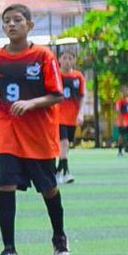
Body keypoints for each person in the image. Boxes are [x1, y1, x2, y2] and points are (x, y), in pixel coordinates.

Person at [0, 4, 69, 255]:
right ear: (3, 27)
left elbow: (57, 95)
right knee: (5, 185)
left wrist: (31, 103)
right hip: (8, 131)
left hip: (39, 135)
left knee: (48, 189)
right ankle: (9, 249)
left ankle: (59, 240)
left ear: (29, 25)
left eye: (17, 20)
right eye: (7, 21)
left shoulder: (43, 56)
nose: (11, 24)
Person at [56, 51, 85, 181]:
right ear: (59, 60)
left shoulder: (78, 76)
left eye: (70, 58)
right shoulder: (56, 75)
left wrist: (80, 113)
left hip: (72, 118)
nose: (67, 61)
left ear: (73, 60)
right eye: (65, 58)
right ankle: (66, 173)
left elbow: (82, 96)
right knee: (64, 143)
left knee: (66, 146)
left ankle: (57, 171)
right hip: (58, 116)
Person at [115, 85, 128, 156]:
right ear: (121, 92)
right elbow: (118, 111)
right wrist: (122, 120)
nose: (126, 92)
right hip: (122, 121)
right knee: (122, 136)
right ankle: (120, 151)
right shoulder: (119, 101)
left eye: (127, 90)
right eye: (124, 90)